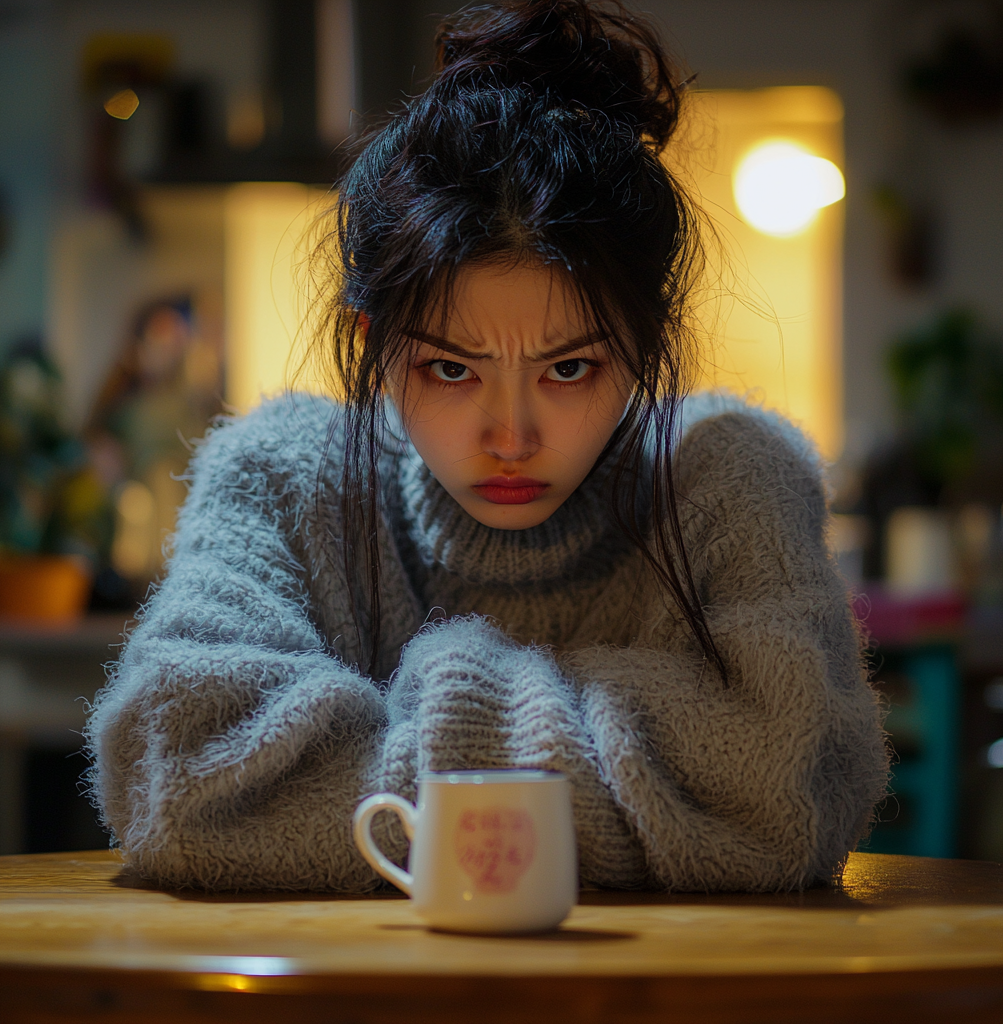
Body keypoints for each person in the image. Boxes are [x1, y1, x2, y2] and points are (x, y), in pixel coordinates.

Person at [85, 0, 888, 893]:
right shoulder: (281, 474)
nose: (511, 435)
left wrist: (420, 721)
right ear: (370, 347)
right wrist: (635, 768)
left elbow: (775, 798)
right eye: (452, 370)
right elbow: (181, 783)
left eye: (572, 368)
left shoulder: (726, 473)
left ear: (648, 345)